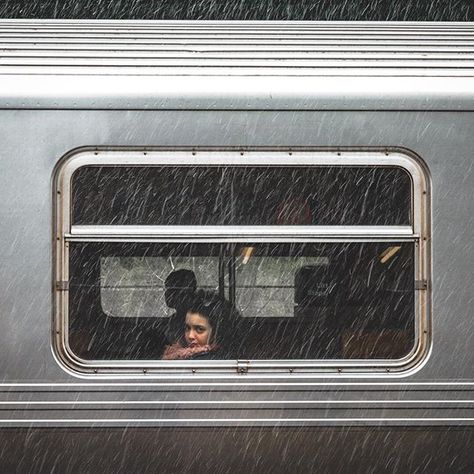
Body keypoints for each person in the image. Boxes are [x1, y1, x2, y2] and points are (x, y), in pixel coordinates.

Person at [162, 291, 235, 360]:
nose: (190, 336)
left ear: (216, 332)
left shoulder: (211, 359)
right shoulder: (179, 355)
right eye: (187, 328)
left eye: (199, 329)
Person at [163, 269, 197, 345]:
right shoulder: (175, 318)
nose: (166, 294)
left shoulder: (199, 319)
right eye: (167, 289)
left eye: (170, 289)